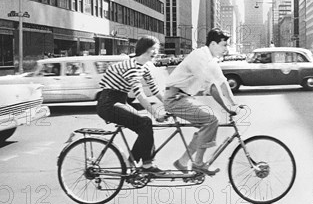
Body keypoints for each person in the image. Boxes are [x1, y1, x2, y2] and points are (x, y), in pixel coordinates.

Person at [164, 28, 241, 176]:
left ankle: (185, 161)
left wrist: (234, 103)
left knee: (208, 124)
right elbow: (212, 87)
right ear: (213, 44)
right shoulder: (200, 57)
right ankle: (197, 163)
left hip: (183, 97)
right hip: (174, 99)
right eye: (224, 45)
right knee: (211, 120)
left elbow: (223, 83)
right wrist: (227, 108)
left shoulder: (210, 59)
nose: (226, 49)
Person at [96, 36, 165, 173]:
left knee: (145, 125)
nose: (156, 53)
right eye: (154, 49)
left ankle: (133, 162)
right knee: (145, 123)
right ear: (146, 49)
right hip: (109, 103)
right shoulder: (132, 67)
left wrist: (169, 105)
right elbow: (140, 95)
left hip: (118, 101)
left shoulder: (143, 67)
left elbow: (154, 89)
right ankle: (144, 165)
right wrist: (155, 112)